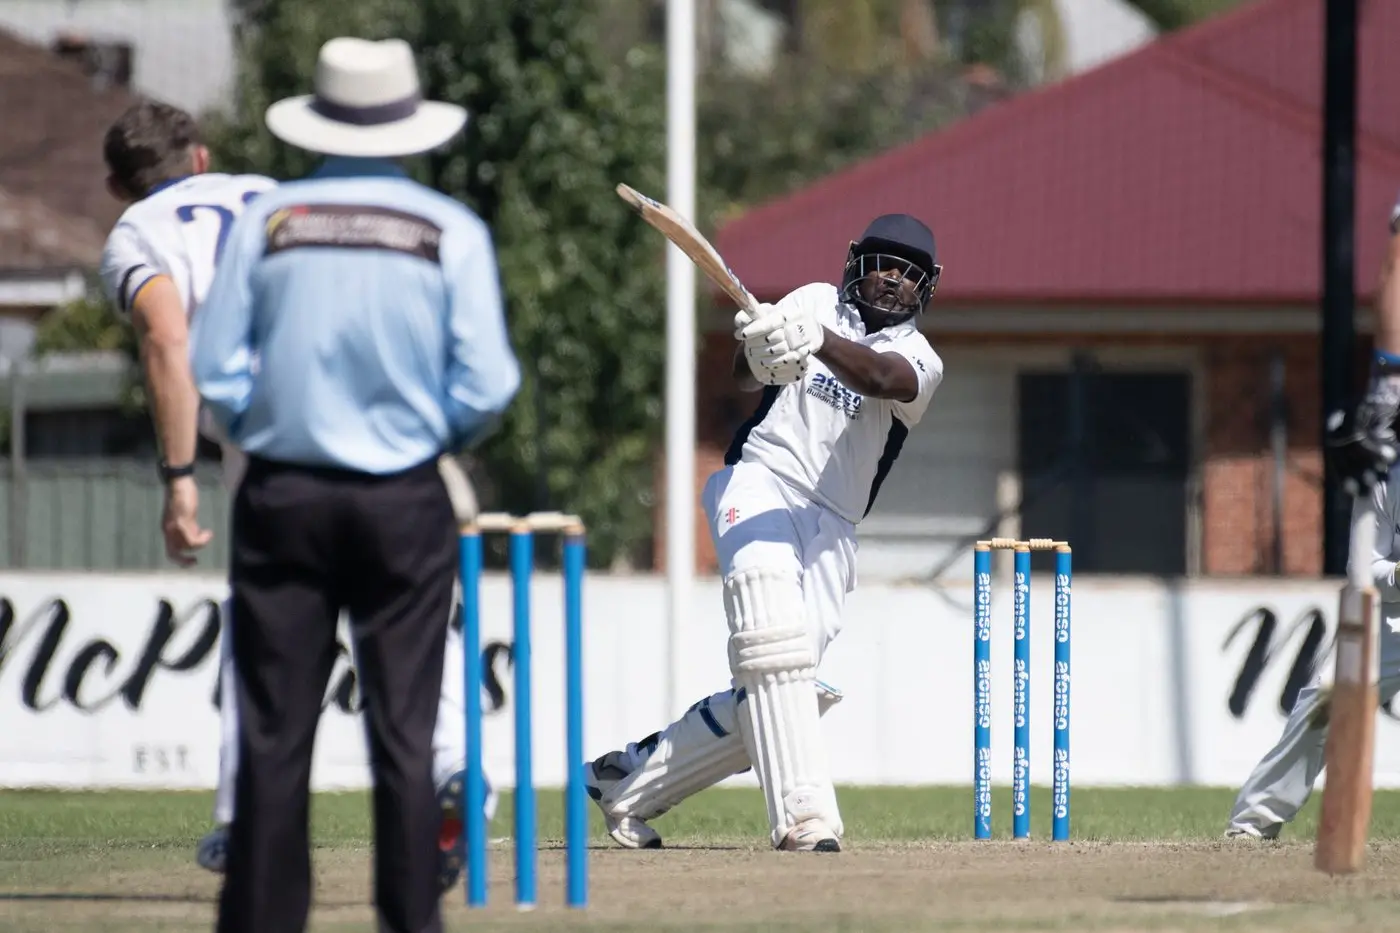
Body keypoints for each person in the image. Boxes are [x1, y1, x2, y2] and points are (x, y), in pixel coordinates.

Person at [97, 99, 496, 895]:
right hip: (374, 398)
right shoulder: (274, 197)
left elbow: (169, 337)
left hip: (270, 424)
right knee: (414, 598)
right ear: (201, 157)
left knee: (268, 625)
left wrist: (179, 477)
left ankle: (242, 818)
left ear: (117, 184)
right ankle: (454, 762)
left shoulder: (137, 231)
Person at [189, 37, 520, 933]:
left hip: (284, 493)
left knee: (273, 734)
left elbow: (214, 369)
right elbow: (489, 383)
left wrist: (267, 429)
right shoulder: (450, 230)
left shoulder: (269, 220)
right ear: (410, 126)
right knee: (407, 735)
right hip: (403, 498)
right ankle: (410, 919)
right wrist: (431, 437)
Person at [585, 214, 945, 852]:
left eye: (909, 273)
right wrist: (756, 354)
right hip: (761, 481)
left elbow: (879, 379)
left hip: (834, 526)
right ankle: (804, 818)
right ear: (856, 263)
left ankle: (628, 781)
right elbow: (748, 374)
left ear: (927, 286)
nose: (894, 279)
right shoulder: (814, 301)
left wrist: (817, 342)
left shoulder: (920, 358)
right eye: (884, 264)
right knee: (771, 639)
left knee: (782, 684)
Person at [1230, 192, 1400, 840]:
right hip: (1396, 618)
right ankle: (1253, 825)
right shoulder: (1384, 463)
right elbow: (1363, 570)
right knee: (1328, 692)